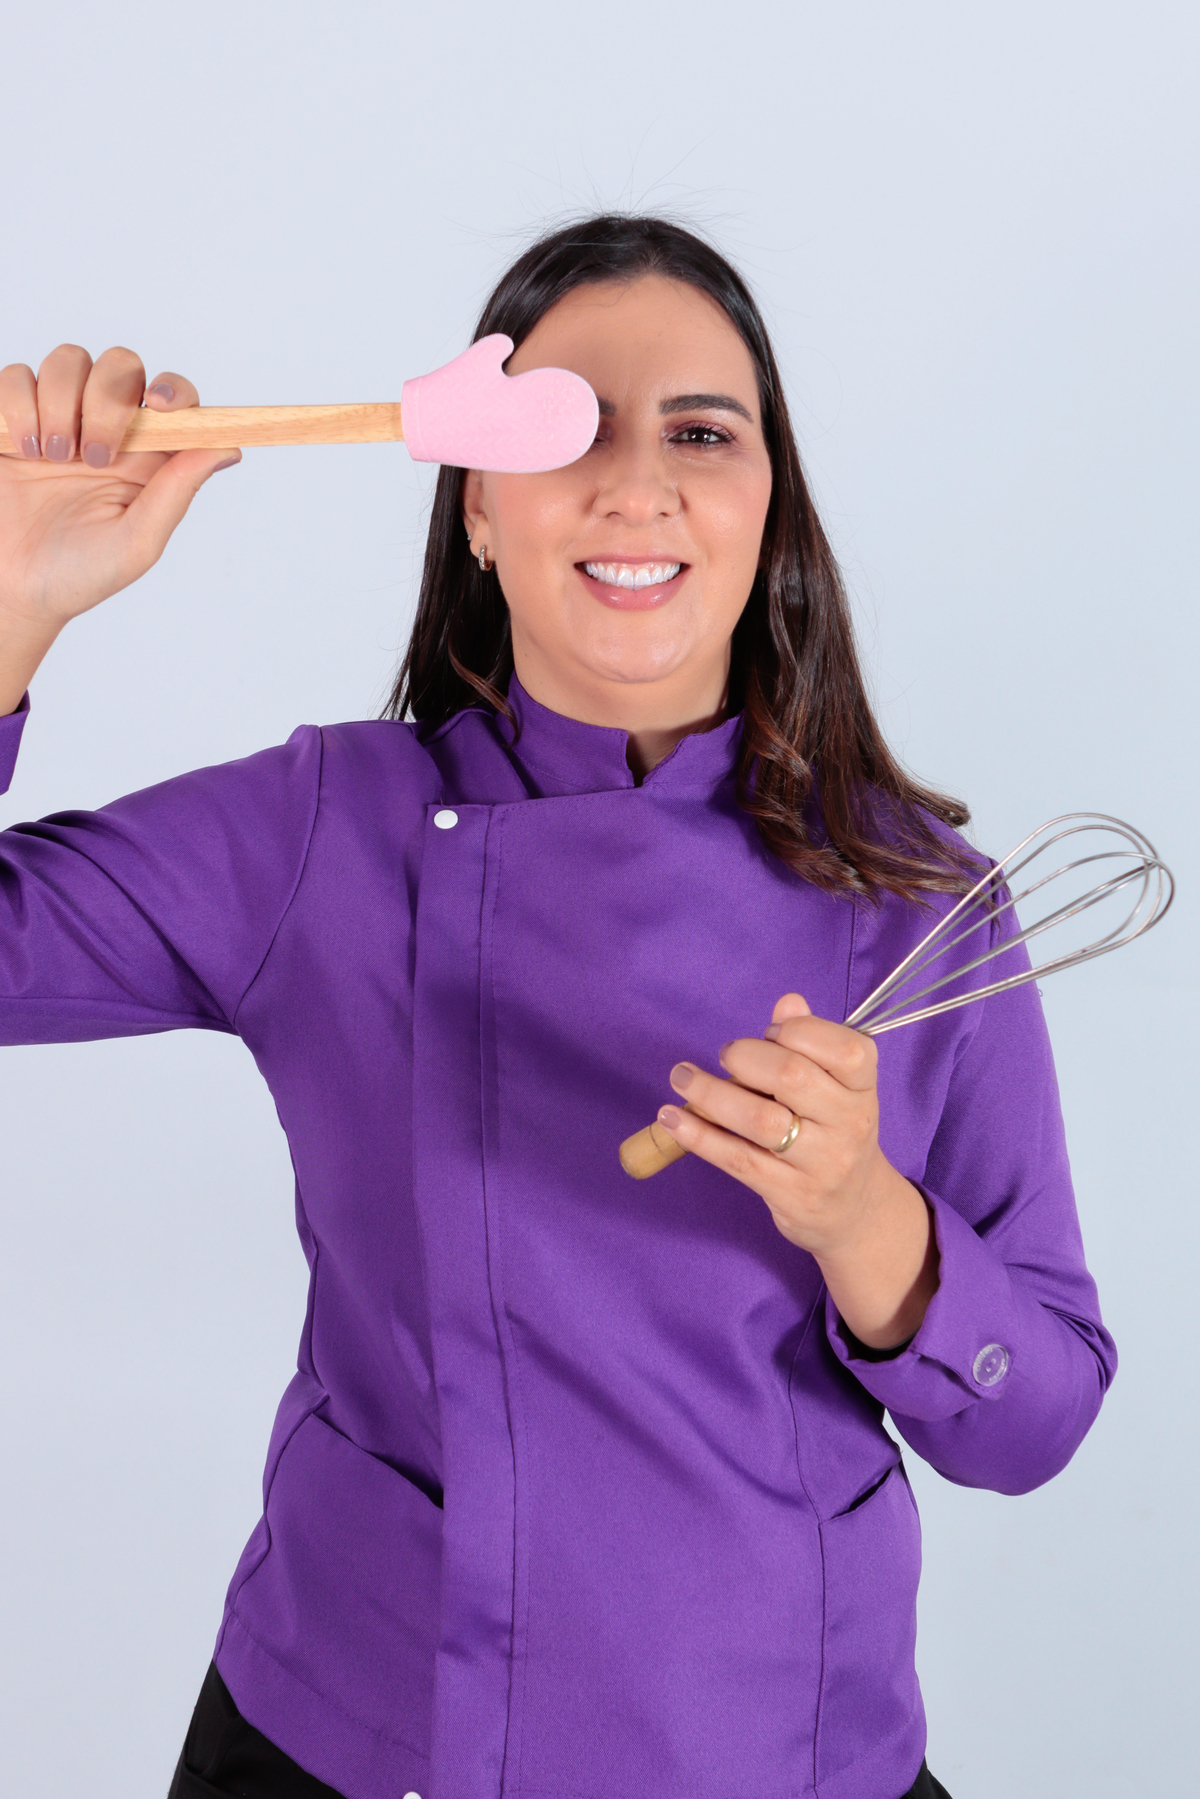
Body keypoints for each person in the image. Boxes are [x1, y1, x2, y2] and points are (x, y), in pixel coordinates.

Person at [0, 214, 1115, 1799]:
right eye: (570, 427)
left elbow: (1033, 1422)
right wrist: (14, 600)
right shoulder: (327, 835)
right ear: (476, 506)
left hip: (779, 1748)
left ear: (769, 511)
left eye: (702, 435)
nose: (635, 486)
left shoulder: (923, 905)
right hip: (365, 1733)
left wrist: (869, 1222)